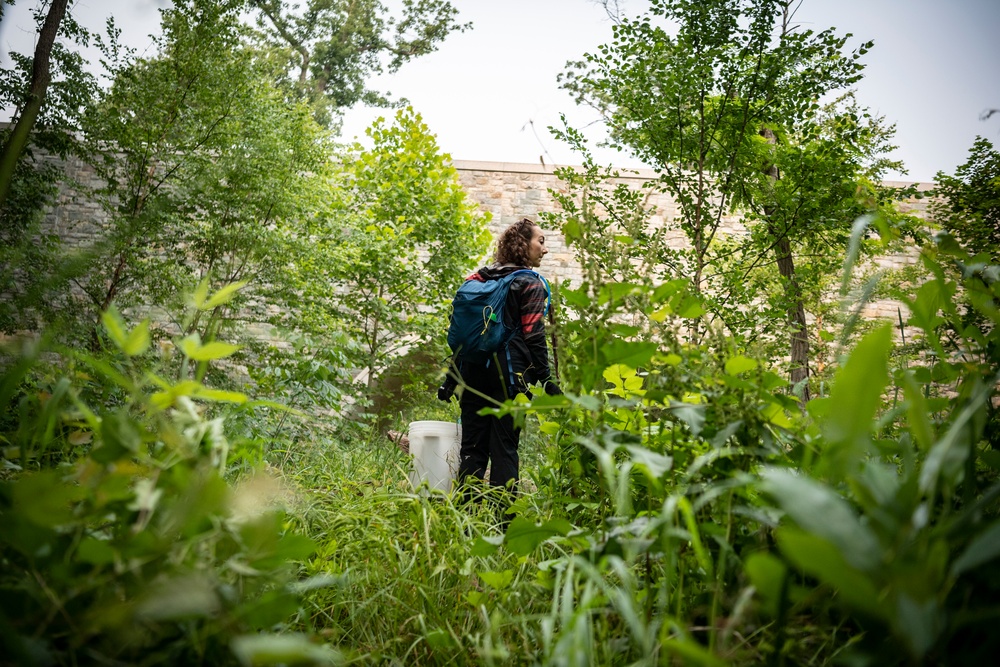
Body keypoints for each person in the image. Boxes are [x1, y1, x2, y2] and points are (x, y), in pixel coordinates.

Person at [438, 218, 561, 513]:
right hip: (509, 378)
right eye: (540, 241)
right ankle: (501, 527)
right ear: (523, 245)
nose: (544, 249)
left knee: (472, 449)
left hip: (472, 373)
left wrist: (451, 380)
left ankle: (464, 522)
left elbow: (467, 338)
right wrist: (546, 380)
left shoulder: (477, 279)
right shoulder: (528, 282)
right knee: (505, 449)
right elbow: (534, 334)